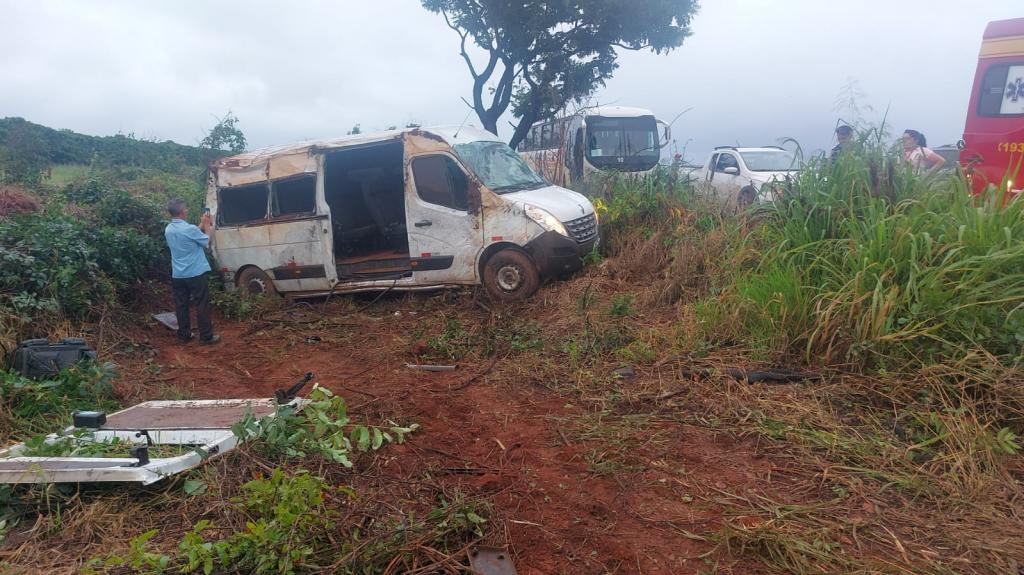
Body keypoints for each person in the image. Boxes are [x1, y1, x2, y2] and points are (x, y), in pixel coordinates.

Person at [164, 199, 220, 345]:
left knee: (181, 305)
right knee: (201, 303)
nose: (187, 211)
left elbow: (190, 234)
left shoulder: (169, 229)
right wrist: (207, 226)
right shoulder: (189, 229)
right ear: (182, 212)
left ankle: (184, 335)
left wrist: (201, 225)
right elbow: (205, 241)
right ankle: (206, 337)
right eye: (185, 209)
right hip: (195, 273)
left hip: (178, 275)